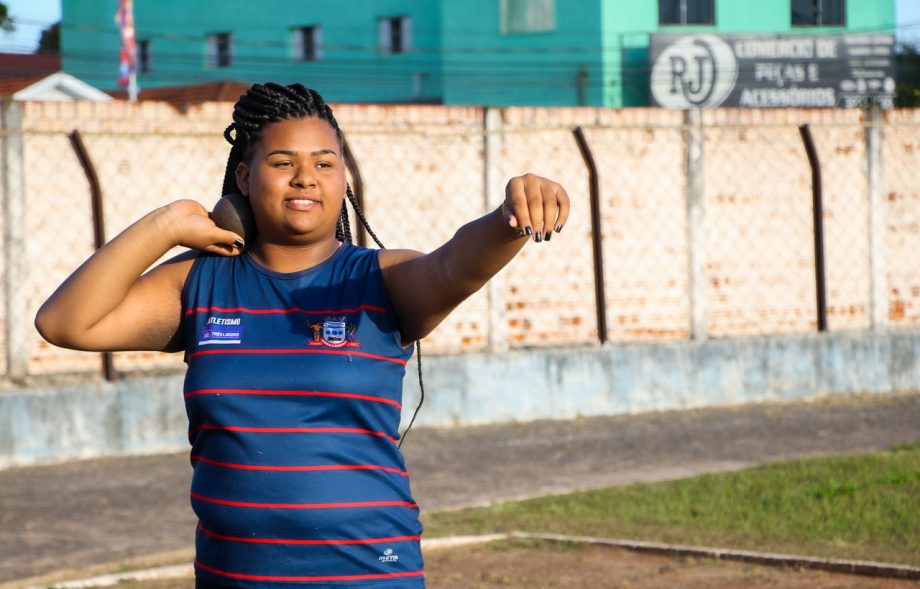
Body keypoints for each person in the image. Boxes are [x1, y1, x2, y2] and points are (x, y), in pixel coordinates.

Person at [35, 82, 570, 589]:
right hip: (233, 576)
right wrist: (168, 224)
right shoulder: (200, 282)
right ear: (243, 178)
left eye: (324, 163)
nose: (305, 178)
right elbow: (65, 323)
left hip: (366, 572)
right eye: (283, 162)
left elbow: (454, 264)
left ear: (344, 180)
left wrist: (508, 218)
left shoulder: (380, 280)